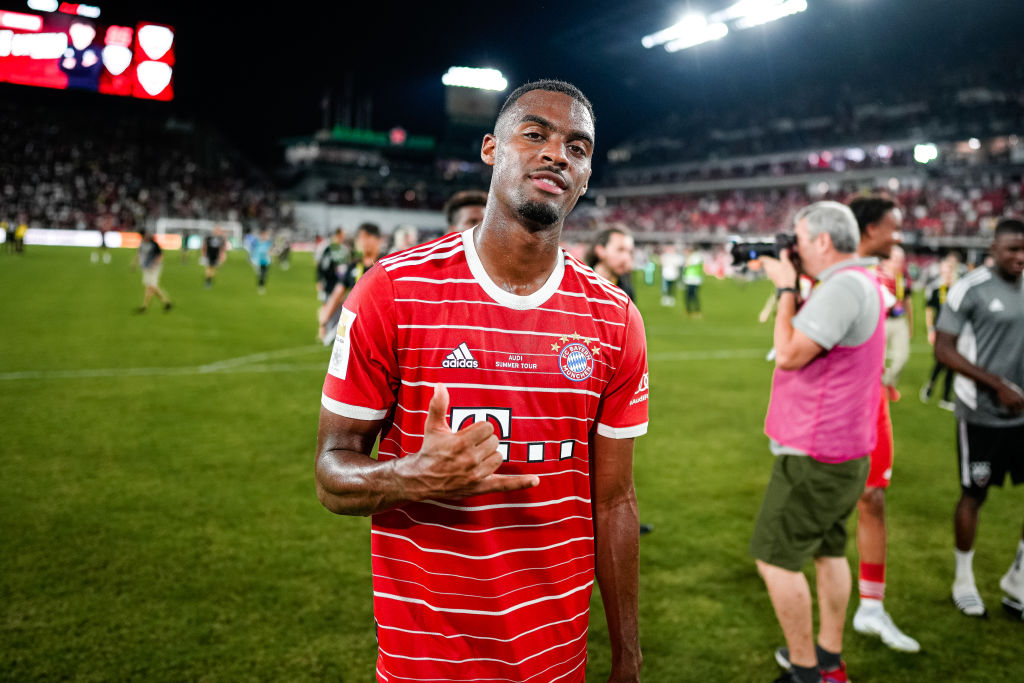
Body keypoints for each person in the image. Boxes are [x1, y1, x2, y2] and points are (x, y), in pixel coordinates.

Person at [315, 79, 647, 683]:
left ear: (587, 175)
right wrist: (413, 474)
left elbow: (615, 500)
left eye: (577, 147)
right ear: (492, 149)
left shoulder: (615, 318)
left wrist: (627, 653)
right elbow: (330, 473)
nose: (556, 154)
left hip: (557, 659)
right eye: (535, 134)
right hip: (426, 663)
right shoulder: (392, 291)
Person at [753, 201, 885, 683]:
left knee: (775, 559)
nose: (797, 247)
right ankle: (829, 662)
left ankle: (805, 671)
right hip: (844, 449)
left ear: (824, 242)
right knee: (829, 553)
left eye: (802, 239)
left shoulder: (844, 286)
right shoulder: (858, 282)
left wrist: (786, 287)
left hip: (814, 450)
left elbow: (788, 353)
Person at [934, 218, 1024, 618]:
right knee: (975, 494)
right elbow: (944, 350)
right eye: (1012, 250)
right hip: (981, 415)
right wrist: (997, 385)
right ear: (993, 248)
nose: (1020, 258)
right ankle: (963, 580)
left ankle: (1018, 581)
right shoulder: (969, 288)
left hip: (1022, 415)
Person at [318, 223, 382, 344]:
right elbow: (337, 294)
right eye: (360, 238)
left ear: (376, 239)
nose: (362, 241)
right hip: (356, 331)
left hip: (379, 331)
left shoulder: (385, 265)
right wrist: (323, 322)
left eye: (365, 237)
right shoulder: (354, 266)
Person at [920, 253, 960, 410]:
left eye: (949, 270)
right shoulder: (936, 289)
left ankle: (945, 397)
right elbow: (929, 310)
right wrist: (931, 329)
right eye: (944, 270)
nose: (947, 273)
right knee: (942, 361)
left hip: (956, 331)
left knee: (952, 364)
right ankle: (931, 384)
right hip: (941, 330)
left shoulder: (957, 289)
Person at [877, 244, 913, 400]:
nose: (899, 263)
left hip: (899, 321)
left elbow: (907, 300)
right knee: (879, 359)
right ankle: (879, 388)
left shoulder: (903, 278)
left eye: (901, 260)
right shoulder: (875, 275)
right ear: (886, 259)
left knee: (902, 357)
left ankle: (887, 382)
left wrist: (910, 324)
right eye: (896, 259)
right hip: (881, 322)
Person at [586, 225, 636, 301]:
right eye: (620, 249)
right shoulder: (580, 285)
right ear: (600, 250)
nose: (627, 258)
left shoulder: (626, 292)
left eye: (630, 252)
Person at [133, 231, 172, 312]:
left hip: (154, 268)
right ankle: (166, 302)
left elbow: (160, 255)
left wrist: (154, 264)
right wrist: (135, 263)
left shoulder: (154, 245)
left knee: (151, 287)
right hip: (146, 268)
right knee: (150, 287)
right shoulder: (142, 244)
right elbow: (139, 254)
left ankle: (145, 307)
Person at [682, 243, 704, 317]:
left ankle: (695, 310)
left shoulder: (695, 256)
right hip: (690, 279)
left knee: (692, 295)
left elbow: (687, 264)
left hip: (694, 279)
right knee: (690, 295)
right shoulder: (693, 256)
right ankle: (690, 310)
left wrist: (687, 257)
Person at [250, 229, 273, 294]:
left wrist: (270, 254)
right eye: (264, 235)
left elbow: (270, 251)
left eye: (266, 236)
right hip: (258, 260)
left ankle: (262, 285)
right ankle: (260, 286)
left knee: (264, 274)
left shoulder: (268, 243)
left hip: (266, 260)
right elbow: (254, 251)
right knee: (261, 274)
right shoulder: (257, 242)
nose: (265, 237)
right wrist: (253, 259)